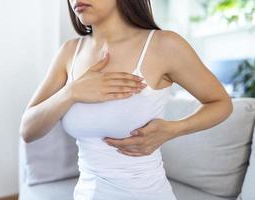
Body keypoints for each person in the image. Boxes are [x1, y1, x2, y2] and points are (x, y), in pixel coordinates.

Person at [19, 0, 233, 199]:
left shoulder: (165, 44)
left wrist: (174, 129)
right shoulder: (69, 52)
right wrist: (71, 92)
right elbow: (28, 129)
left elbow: (221, 103)